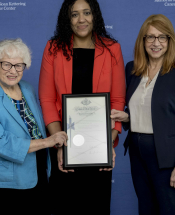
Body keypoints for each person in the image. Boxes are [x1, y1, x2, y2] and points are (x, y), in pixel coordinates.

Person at [39, 0, 125, 214]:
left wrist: (108, 142)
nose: (81, 19)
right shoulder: (53, 48)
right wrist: (59, 143)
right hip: (65, 147)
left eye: (86, 13)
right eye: (75, 14)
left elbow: (117, 101)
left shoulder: (112, 50)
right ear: (67, 19)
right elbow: (47, 99)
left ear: (94, 15)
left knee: (96, 206)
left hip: (99, 148)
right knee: (64, 206)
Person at [111, 14, 175, 215]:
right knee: (145, 209)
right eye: (150, 37)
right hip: (137, 152)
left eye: (162, 37)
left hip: (168, 158)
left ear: (170, 41)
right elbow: (149, 110)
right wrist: (127, 118)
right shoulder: (132, 69)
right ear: (142, 40)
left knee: (167, 210)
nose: (156, 43)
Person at [0, 38, 67, 215]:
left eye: (18, 65)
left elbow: (34, 129)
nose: (12, 71)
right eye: (6, 64)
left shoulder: (27, 89)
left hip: (37, 173)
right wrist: (48, 142)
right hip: (6, 185)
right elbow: (3, 144)